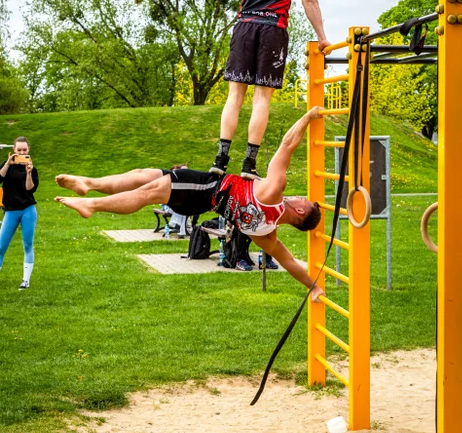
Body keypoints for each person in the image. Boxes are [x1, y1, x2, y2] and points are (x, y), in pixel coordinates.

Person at [54, 107, 326, 300]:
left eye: (305, 200)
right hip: (200, 200)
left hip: (204, 189)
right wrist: (313, 287)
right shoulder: (268, 235)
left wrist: (307, 117)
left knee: (147, 191)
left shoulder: (273, 191)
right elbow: (290, 263)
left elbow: (287, 144)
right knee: (141, 176)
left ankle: (92, 205)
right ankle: (88, 182)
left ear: (301, 210)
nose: (300, 197)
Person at [169, 0, 331, 179]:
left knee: (235, 96)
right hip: (273, 29)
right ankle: (249, 163)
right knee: (261, 98)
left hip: (244, 27)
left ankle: (221, 159)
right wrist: (322, 37)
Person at [0, 136, 39, 292]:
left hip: (28, 210)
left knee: (27, 245)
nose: (21, 152)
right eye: (18, 150)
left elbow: (30, 189)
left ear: (28, 150)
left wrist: (28, 172)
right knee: (1, 247)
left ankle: (25, 281)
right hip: (11, 211)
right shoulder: (8, 166)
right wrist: (7, 163)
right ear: (13, 150)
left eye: (24, 150)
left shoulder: (32, 169)